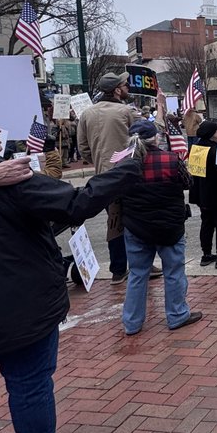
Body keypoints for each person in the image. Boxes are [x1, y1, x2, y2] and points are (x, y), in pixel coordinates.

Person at [0, 105, 143, 433]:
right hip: (19, 306)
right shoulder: (8, 177)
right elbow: (76, 203)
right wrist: (126, 171)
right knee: (28, 383)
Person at [120, 120, 202, 336]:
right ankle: (177, 315)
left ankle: (132, 323)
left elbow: (115, 192)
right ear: (155, 138)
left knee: (138, 274)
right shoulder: (170, 160)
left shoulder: (123, 164)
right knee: (173, 272)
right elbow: (188, 183)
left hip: (136, 226)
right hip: (169, 227)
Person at [76, 71, 139, 283]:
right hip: (127, 174)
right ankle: (136, 264)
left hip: (102, 176)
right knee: (134, 220)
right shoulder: (125, 111)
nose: (128, 88)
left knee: (114, 222)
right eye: (125, 85)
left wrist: (99, 159)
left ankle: (119, 269)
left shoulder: (87, 114)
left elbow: (83, 148)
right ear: (117, 89)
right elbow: (141, 140)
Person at [191, 120, 217, 268]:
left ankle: (206, 254)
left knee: (207, 224)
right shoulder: (216, 151)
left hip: (202, 194)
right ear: (210, 134)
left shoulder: (196, 148)